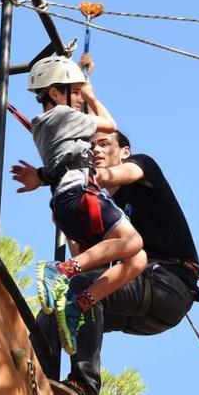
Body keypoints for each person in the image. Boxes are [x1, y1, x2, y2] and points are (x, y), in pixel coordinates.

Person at [12, 129, 199, 395]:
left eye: (104, 145)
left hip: (168, 284)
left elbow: (104, 177)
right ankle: (34, 384)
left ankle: (83, 385)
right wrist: (71, 226)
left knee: (76, 287)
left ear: (125, 152)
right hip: (139, 306)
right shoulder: (103, 210)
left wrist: (53, 176)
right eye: (91, 148)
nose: (97, 151)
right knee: (56, 308)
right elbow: (89, 265)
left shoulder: (143, 169)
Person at [25, 54, 147, 357]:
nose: (79, 99)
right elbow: (109, 126)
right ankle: (62, 271)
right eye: (73, 92)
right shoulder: (64, 116)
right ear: (54, 92)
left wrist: (79, 80)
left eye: (80, 93)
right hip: (81, 195)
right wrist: (92, 94)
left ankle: (80, 305)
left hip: (68, 204)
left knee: (137, 260)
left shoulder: (46, 123)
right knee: (132, 241)